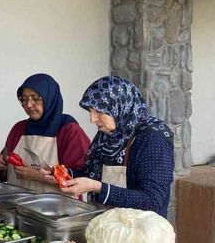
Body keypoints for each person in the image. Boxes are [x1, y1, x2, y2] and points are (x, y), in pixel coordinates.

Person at [57, 76, 174, 217]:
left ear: (119, 106)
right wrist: (65, 176)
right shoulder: (111, 134)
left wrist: (98, 187)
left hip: (140, 231)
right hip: (109, 225)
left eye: (99, 111)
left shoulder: (152, 139)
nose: (92, 119)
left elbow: (152, 200)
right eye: (90, 111)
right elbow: (93, 175)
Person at [0, 73, 90, 193]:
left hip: (61, 209)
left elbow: (82, 177)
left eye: (35, 99)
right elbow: (3, 174)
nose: (29, 105)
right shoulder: (19, 129)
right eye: (24, 100)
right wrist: (0, 165)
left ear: (49, 97)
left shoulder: (68, 130)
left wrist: (39, 176)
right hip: (17, 206)